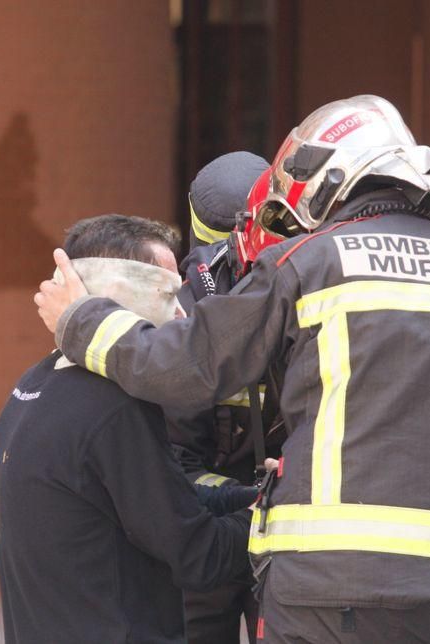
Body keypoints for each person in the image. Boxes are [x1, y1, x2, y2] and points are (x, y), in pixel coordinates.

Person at [35, 95, 430, 643]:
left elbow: (183, 367)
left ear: (333, 184)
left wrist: (82, 320)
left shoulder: (304, 265)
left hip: (323, 597)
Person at [0, 214, 256, 644]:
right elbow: (199, 555)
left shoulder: (33, 387)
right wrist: (276, 522)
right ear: (116, 294)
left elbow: (161, 498)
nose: (182, 312)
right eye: (168, 294)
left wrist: (249, 498)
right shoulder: (112, 406)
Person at [170, 151, 284, 644]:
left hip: (208, 532)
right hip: (269, 531)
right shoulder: (304, 297)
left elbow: (176, 456)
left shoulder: (177, 312)